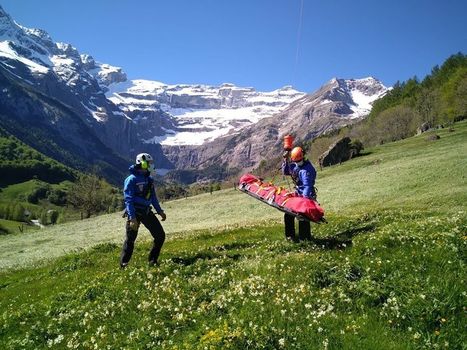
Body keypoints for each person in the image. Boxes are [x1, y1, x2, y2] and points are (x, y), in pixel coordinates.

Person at [120, 153, 167, 268]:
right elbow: (129, 200)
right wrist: (132, 218)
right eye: (150, 163)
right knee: (130, 240)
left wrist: (159, 211)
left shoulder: (149, 179)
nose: (152, 165)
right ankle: (123, 265)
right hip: (135, 212)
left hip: (146, 211)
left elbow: (153, 197)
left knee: (160, 236)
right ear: (143, 163)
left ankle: (152, 261)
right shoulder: (131, 179)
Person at [282, 146, 317, 242]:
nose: (297, 163)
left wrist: (304, 201)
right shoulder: (297, 166)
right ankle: (290, 237)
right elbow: (286, 171)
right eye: (295, 161)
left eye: (298, 161)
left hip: (306, 196)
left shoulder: (306, 170)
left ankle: (304, 239)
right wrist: (285, 160)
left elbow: (307, 186)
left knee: (303, 217)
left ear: (303, 157)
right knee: (288, 214)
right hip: (298, 194)